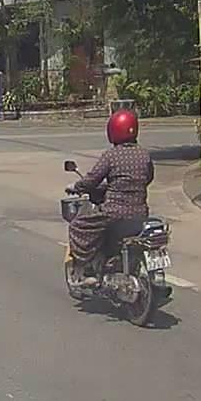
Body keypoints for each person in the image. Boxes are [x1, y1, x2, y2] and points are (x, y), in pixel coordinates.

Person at [67, 109, 153, 286]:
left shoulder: (112, 155)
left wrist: (76, 187)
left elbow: (92, 179)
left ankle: (86, 270)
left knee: (77, 226)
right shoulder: (144, 154)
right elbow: (148, 177)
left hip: (114, 213)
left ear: (113, 130)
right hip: (140, 214)